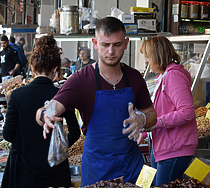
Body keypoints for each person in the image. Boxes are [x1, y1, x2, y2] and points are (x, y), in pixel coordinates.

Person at [36, 17, 157, 187]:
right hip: (97, 169)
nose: (111, 51)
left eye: (117, 44)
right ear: (94, 43)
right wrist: (45, 115)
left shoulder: (135, 77)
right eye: (105, 44)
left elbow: (152, 114)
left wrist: (143, 119)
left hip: (132, 166)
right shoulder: (81, 80)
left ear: (126, 43)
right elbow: (47, 109)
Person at [1, 34, 81, 187]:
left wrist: (26, 143)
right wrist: (59, 148)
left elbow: (8, 134)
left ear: (32, 67)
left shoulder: (17, 95)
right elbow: (75, 133)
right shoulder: (62, 96)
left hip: (23, 171)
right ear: (56, 69)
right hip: (56, 171)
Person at [138, 35, 198, 186]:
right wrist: (144, 132)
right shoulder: (161, 77)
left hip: (174, 149)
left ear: (157, 56)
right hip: (160, 146)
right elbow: (160, 110)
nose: (146, 61)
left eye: (147, 56)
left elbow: (187, 112)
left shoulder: (173, 76)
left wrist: (156, 123)